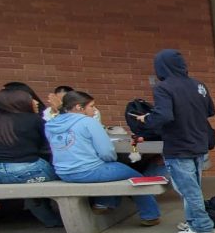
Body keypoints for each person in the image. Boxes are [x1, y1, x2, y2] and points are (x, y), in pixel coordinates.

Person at [134, 49, 215, 233]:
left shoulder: (163, 88)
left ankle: (202, 226)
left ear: (160, 67)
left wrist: (146, 119)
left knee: (188, 189)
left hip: (178, 146)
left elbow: (164, 115)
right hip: (199, 142)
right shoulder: (198, 85)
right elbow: (210, 111)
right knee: (193, 187)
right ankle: (194, 221)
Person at [46, 91, 161, 225]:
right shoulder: (88, 122)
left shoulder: (51, 124)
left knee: (111, 171)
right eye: (91, 106)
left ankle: (105, 203)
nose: (94, 110)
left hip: (64, 173)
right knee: (135, 176)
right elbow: (106, 152)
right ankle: (150, 216)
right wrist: (111, 160)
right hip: (89, 170)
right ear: (79, 107)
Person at [0, 89, 63, 227]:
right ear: (19, 102)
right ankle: (51, 220)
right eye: (30, 99)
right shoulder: (34, 119)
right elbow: (49, 147)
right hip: (28, 171)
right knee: (62, 172)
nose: (35, 101)